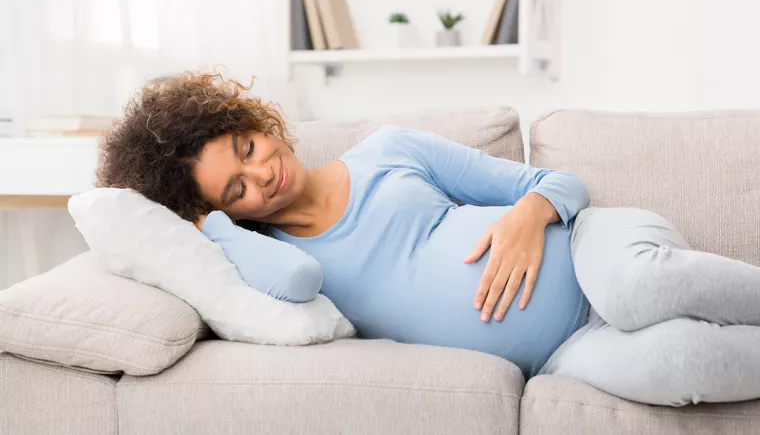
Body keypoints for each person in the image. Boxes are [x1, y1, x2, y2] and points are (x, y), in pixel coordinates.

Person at [97, 71, 760, 407]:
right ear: (221, 215)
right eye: (234, 189)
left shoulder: (390, 150)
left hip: (591, 247)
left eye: (248, 145)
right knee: (679, 367)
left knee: (638, 287)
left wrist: (529, 219)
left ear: (258, 122)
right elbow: (298, 286)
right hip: (567, 351)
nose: (262, 173)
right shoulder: (278, 260)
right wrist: (206, 225)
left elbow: (557, 181)